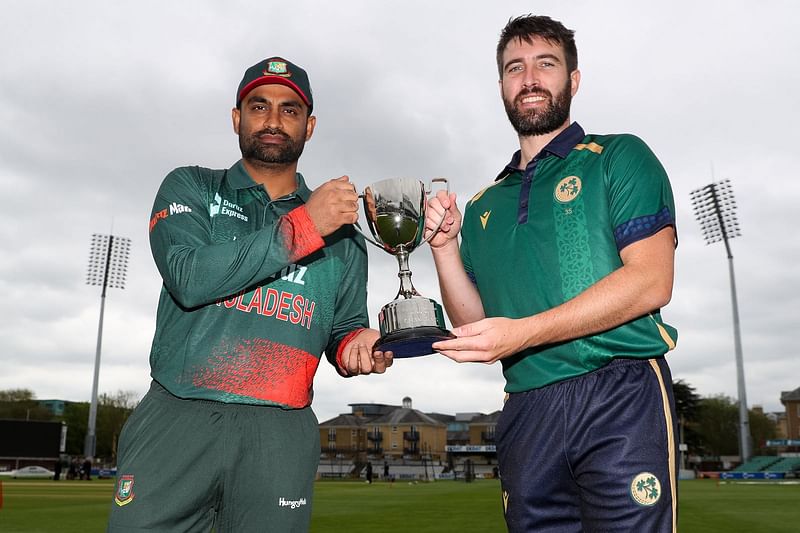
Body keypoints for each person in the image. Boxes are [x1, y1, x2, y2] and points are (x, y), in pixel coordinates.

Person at [107, 56, 392, 532]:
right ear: (237, 118)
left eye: (289, 109)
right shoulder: (191, 187)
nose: (274, 120)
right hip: (179, 416)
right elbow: (188, 276)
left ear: (310, 126)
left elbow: (342, 329)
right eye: (259, 106)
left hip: (280, 434)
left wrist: (357, 348)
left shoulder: (344, 235)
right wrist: (305, 226)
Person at [426, 15, 679, 532]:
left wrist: (523, 332)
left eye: (546, 64)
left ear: (574, 80)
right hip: (526, 406)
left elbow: (652, 280)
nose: (531, 78)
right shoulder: (481, 206)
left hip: (619, 392)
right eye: (515, 68)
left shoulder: (618, 156)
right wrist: (446, 248)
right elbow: (475, 321)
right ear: (501, 86)